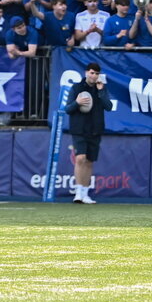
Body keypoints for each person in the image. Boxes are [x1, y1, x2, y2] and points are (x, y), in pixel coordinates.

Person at [65, 62, 114, 205]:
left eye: (97, 73)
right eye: (92, 73)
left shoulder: (101, 89)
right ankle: (78, 193)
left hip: (95, 129)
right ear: (86, 72)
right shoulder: (77, 88)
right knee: (80, 158)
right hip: (79, 129)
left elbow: (109, 107)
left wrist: (101, 92)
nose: (94, 76)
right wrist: (77, 102)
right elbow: (68, 109)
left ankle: (85, 193)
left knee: (89, 161)